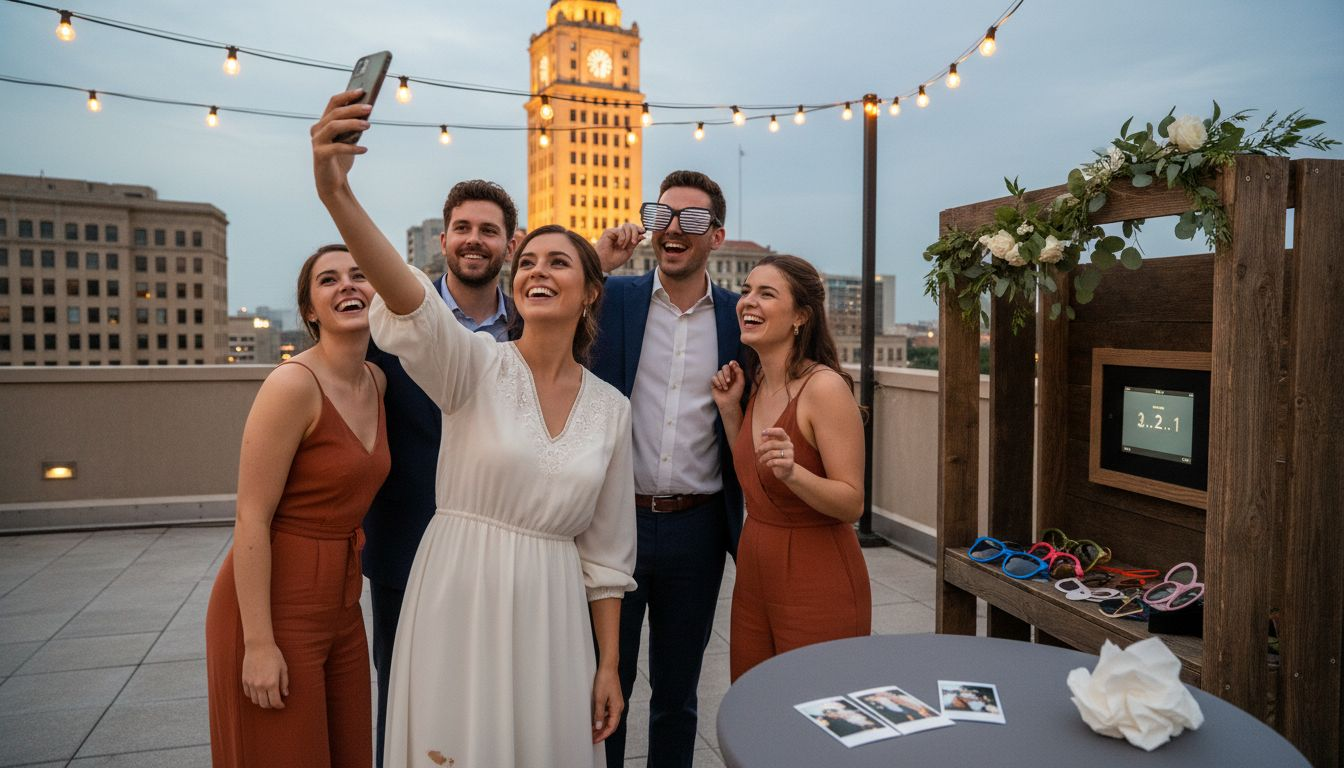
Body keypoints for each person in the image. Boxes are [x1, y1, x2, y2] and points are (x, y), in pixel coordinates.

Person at [311, 89, 635, 768]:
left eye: (560, 262)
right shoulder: (473, 366)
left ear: (592, 290)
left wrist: (609, 666)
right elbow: (406, 296)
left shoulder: (611, 409)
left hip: (552, 611)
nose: (539, 271)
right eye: (532, 262)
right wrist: (336, 192)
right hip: (457, 589)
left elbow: (607, 558)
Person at [205, 244, 389, 768]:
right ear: (309, 310)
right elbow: (251, 519)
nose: (348, 285)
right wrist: (258, 644)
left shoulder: (377, 382)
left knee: (352, 751)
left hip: (344, 603)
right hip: (274, 601)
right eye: (328, 280)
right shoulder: (292, 385)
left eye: (359, 275)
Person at [361, 177, 522, 766]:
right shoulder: (395, 318)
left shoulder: (536, 327)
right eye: (463, 228)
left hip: (504, 553)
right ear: (445, 238)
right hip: (408, 542)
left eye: (488, 230)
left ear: (509, 244)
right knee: (402, 694)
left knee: (493, 697)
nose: (474, 240)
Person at [591, 171, 744, 768]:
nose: (674, 227)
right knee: (608, 684)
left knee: (677, 694)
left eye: (693, 218)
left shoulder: (738, 318)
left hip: (697, 528)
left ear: (718, 236)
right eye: (663, 214)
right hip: (614, 523)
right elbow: (534, 326)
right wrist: (598, 262)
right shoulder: (616, 298)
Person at [709, 254, 871, 682]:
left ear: (800, 315)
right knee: (755, 705)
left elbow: (852, 502)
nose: (748, 302)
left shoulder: (824, 389)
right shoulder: (758, 382)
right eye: (746, 291)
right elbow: (757, 476)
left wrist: (795, 473)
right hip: (755, 569)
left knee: (813, 713)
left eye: (766, 293)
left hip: (816, 576)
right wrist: (730, 411)